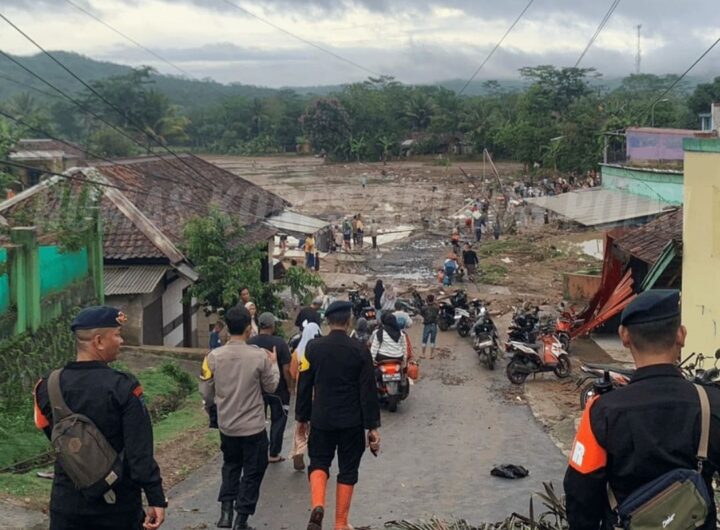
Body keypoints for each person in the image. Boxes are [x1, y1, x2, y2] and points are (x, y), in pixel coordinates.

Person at [563, 290, 720, 530]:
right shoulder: (712, 404)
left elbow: (580, 493)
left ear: (624, 336)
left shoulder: (601, 411)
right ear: (681, 335)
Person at [33, 306, 167, 530]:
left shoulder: (46, 386)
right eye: (117, 334)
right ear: (99, 341)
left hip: (67, 505)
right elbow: (139, 452)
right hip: (117, 506)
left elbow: (52, 434)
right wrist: (155, 497)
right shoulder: (124, 386)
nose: (121, 340)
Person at [296, 301, 381, 530]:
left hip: (322, 419)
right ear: (349, 320)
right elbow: (368, 391)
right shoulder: (360, 350)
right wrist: (372, 427)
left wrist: (301, 420)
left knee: (319, 463)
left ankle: (317, 505)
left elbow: (304, 386)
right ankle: (341, 524)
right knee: (348, 470)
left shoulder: (313, 349)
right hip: (352, 422)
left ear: (328, 321)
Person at [200, 305, 279, 530]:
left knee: (231, 465)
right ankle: (241, 519)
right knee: (254, 471)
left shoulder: (213, 356)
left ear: (226, 328)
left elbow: (206, 391)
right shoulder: (259, 356)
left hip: (227, 426)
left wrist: (212, 408)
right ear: (248, 329)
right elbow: (271, 386)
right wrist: (273, 364)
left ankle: (226, 513)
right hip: (253, 426)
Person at [247, 313, 293, 464]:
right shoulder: (280, 343)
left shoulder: (250, 343)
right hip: (278, 390)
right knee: (278, 420)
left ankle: (257, 452)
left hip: (256, 389)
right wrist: (290, 386)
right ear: (273, 326)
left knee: (256, 420)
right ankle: (273, 453)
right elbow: (286, 369)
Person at [420, 295, 439, 359]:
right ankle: (431, 355)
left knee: (424, 340)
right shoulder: (436, 308)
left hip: (427, 325)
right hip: (434, 325)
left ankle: (423, 354)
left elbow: (422, 314)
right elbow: (437, 313)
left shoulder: (424, 308)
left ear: (427, 299)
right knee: (432, 340)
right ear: (433, 300)